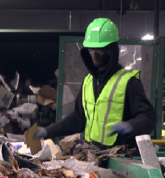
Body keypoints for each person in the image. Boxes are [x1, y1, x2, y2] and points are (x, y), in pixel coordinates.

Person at [35, 18, 156, 149]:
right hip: (93, 153)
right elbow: (77, 119)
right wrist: (48, 131)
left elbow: (148, 117)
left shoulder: (128, 81)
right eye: (91, 50)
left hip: (120, 157)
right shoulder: (88, 81)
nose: (94, 54)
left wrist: (131, 126)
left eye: (100, 50)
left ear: (112, 50)